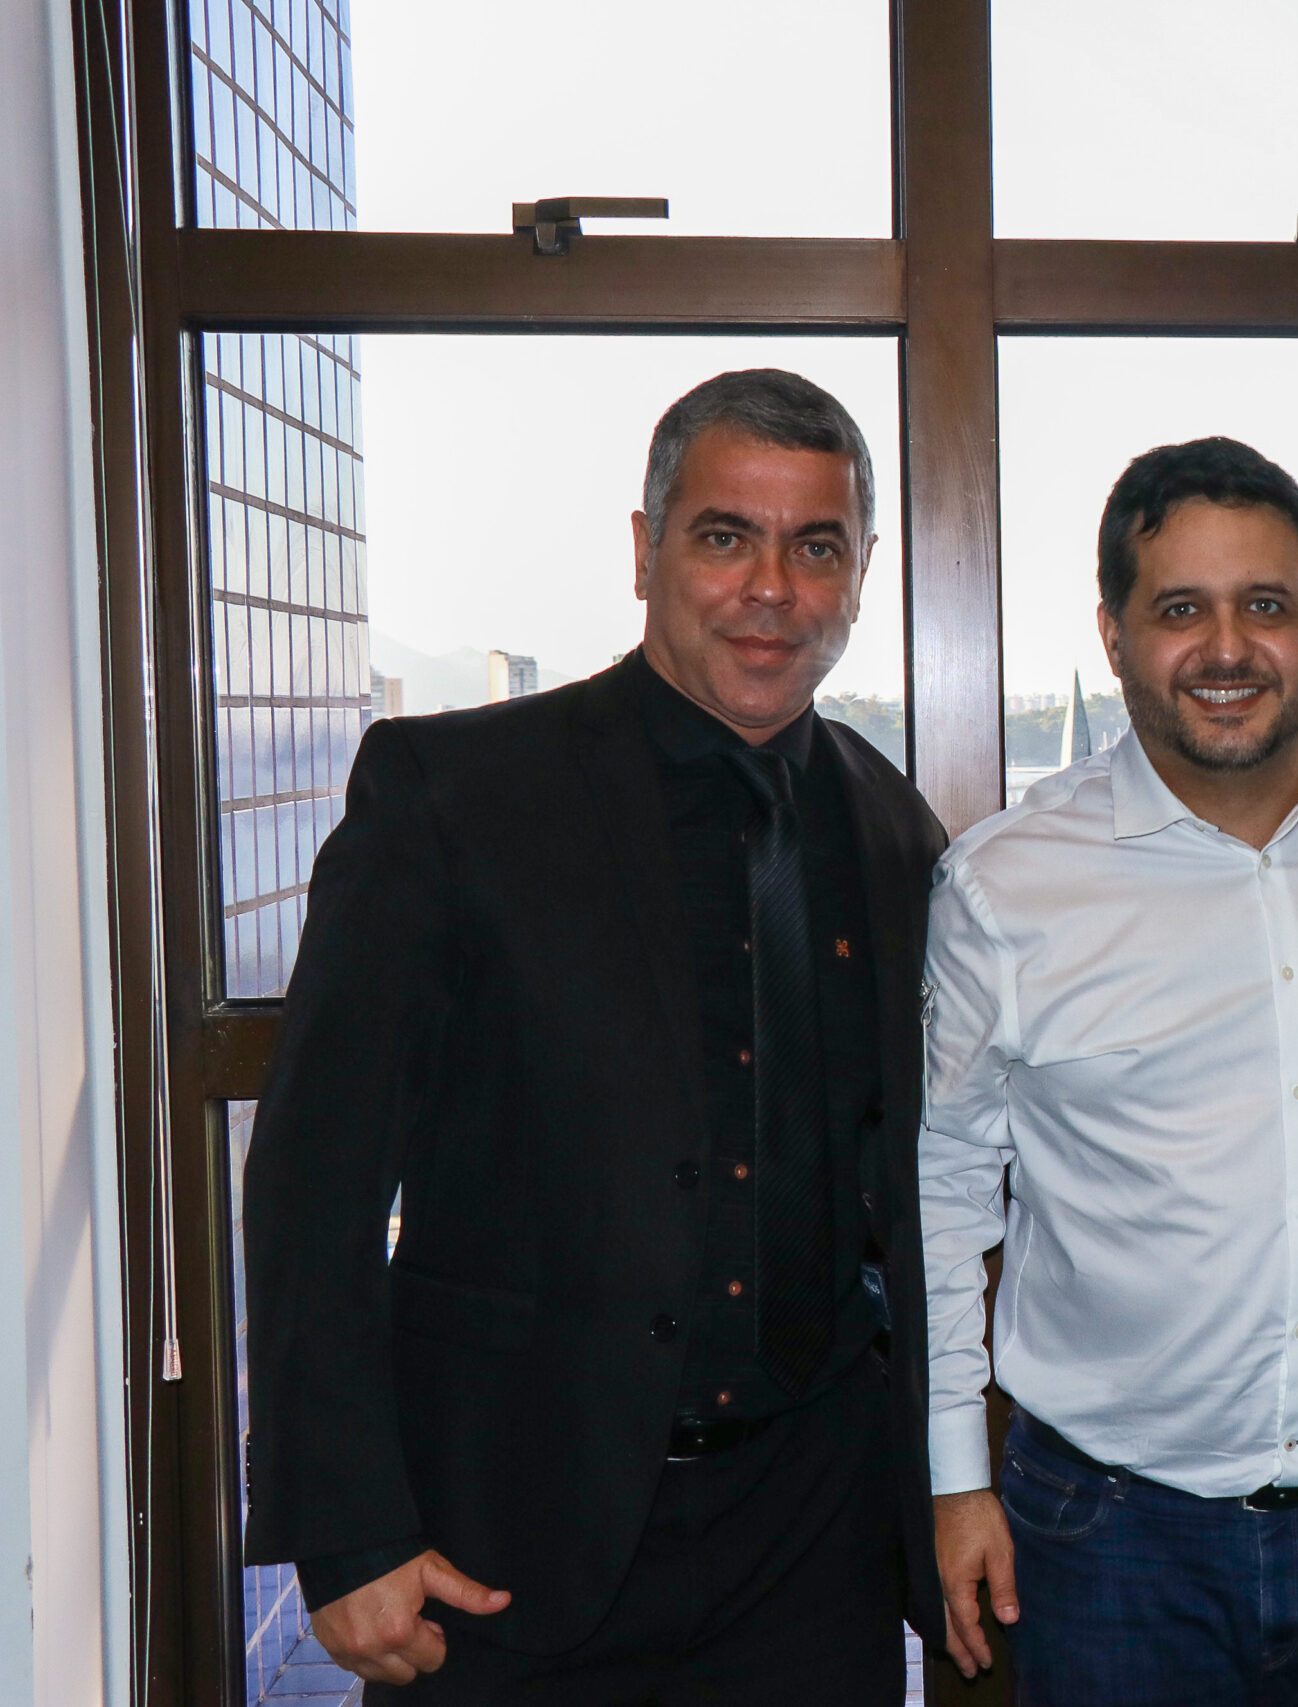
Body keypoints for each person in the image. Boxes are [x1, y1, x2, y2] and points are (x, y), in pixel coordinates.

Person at [241, 369, 945, 1702]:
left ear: (861, 573)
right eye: (726, 535)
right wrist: (344, 1526)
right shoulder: (450, 796)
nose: (772, 588)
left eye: (817, 547)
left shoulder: (892, 829)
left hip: (812, 1546)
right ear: (644, 550)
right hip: (506, 1541)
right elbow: (315, 1180)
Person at [921, 437, 1298, 1706]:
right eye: (1180, 609)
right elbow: (942, 1191)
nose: (1227, 649)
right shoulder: (1005, 885)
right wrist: (955, 1478)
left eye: (1264, 605)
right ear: (1114, 633)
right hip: (1113, 1540)